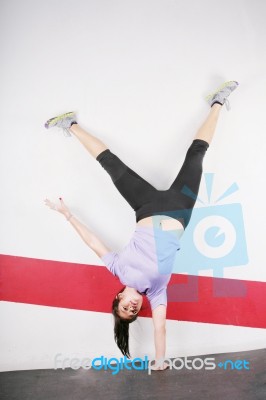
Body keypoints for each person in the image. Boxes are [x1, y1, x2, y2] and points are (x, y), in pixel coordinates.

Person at [44, 81, 239, 370]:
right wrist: (160, 362)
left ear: (119, 296)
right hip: (179, 210)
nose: (132, 308)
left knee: (110, 163)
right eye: (133, 313)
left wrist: (67, 215)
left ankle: (70, 124)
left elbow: (93, 242)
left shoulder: (118, 269)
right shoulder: (157, 292)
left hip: (145, 206)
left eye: (125, 308)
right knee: (197, 153)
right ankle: (218, 102)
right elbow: (160, 328)